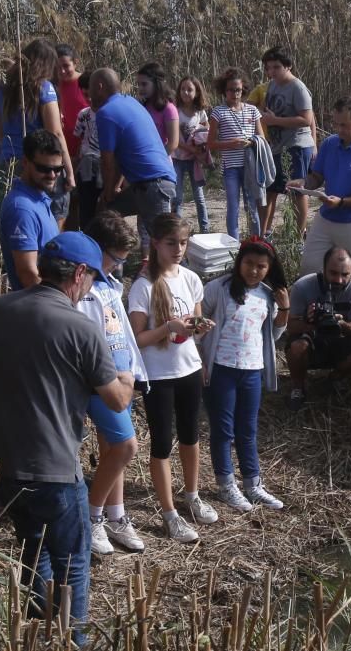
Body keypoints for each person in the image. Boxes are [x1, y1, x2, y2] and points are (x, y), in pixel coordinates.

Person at [0, 231, 135, 647]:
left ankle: (35, 629)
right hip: (55, 469)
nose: (92, 288)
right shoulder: (80, 327)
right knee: (72, 562)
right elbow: (115, 401)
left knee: (32, 545)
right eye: (93, 278)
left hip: (0, 467)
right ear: (79, 273)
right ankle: (71, 640)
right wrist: (128, 377)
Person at [127, 214, 217, 542]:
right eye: (171, 243)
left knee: (191, 437)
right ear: (155, 242)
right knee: (163, 444)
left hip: (189, 369)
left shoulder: (192, 278)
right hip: (159, 375)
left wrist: (198, 327)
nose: (179, 249)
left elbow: (191, 324)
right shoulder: (143, 286)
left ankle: (192, 496)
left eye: (183, 242)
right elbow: (136, 338)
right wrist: (168, 327)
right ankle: (170, 515)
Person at [199, 237, 289, 511]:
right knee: (223, 430)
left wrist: (284, 308)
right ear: (239, 261)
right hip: (221, 370)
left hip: (252, 371)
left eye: (261, 266)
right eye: (248, 263)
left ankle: (253, 484)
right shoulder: (218, 288)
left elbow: (272, 336)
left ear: (269, 268)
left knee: (247, 430)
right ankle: (227, 485)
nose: (253, 270)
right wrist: (200, 360)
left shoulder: (266, 294)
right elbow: (196, 324)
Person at [78, 213, 147, 554]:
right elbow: (90, 342)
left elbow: (123, 336)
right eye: (117, 258)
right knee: (125, 447)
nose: (121, 265)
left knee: (111, 451)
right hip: (102, 384)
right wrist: (110, 378)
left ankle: (116, 515)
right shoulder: (86, 289)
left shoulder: (108, 284)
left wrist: (135, 373)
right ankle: (91, 518)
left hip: (125, 378)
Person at [290, 97, 351, 321]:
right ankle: (310, 317)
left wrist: (342, 202)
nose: (338, 129)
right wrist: (304, 184)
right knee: (310, 266)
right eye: (336, 124)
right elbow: (317, 177)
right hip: (327, 218)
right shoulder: (330, 144)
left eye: (344, 124)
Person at [88, 68, 177, 261]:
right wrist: (113, 191)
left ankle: (173, 282)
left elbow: (108, 161)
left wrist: (109, 190)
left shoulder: (106, 112)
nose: (89, 95)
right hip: (144, 185)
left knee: (163, 244)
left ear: (100, 87)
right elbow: (122, 157)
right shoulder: (131, 103)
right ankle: (111, 267)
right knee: (107, 213)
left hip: (155, 184)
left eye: (90, 89)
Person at [0, 38, 75, 228]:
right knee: (55, 214)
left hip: (8, 163)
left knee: (17, 220)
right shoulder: (44, 89)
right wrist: (68, 171)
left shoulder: (1, 90)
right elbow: (55, 132)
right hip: (40, 164)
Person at [284, 247, 351, 410]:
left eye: (345, 274)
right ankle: (298, 387)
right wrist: (312, 321)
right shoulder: (302, 287)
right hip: (312, 341)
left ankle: (335, 378)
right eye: (333, 273)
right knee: (296, 347)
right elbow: (290, 327)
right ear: (323, 269)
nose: (339, 280)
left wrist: (341, 324)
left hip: (339, 341)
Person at [258, 47, 315, 241]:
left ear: (288, 66)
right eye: (268, 68)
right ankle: (265, 234)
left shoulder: (297, 87)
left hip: (296, 145)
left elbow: (307, 119)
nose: (272, 71)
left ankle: (299, 236)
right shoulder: (272, 85)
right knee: (271, 190)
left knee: (296, 192)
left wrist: (276, 121)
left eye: (276, 67)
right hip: (276, 146)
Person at [0, 129, 62, 290]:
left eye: (57, 169)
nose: (52, 175)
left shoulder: (39, 199)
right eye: (44, 169)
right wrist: (60, 306)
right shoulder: (22, 210)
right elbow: (28, 274)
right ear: (25, 162)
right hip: (39, 307)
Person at [207, 67, 266, 239]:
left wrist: (252, 141)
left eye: (238, 90)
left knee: (252, 206)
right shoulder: (218, 112)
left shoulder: (252, 110)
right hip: (231, 168)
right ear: (224, 91)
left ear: (243, 89)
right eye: (231, 90)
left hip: (250, 166)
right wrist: (231, 143)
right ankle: (234, 244)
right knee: (233, 206)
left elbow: (261, 137)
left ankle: (256, 241)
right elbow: (211, 144)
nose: (235, 93)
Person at [172, 76, 211, 234]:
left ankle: (205, 229)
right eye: (183, 89)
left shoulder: (199, 112)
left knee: (199, 197)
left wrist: (201, 140)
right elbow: (173, 137)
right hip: (177, 159)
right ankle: (176, 230)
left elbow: (206, 127)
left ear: (197, 92)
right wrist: (191, 148)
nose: (185, 93)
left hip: (194, 161)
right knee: (178, 197)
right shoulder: (175, 110)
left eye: (189, 90)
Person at [72, 71, 102, 230]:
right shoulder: (83, 115)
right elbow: (79, 138)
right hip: (87, 165)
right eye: (85, 95)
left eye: (91, 94)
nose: (89, 98)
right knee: (86, 205)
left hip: (106, 164)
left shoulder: (109, 113)